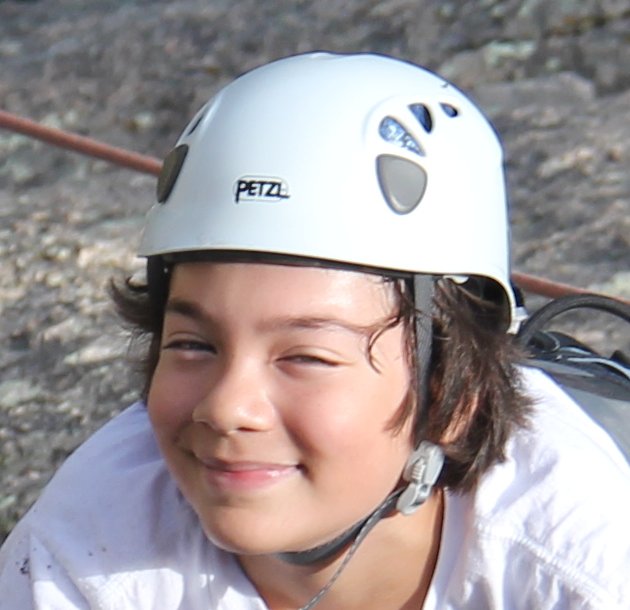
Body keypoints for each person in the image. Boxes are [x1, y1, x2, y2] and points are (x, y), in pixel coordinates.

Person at [0, 52, 628, 610]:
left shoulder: (581, 563)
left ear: (453, 395)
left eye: (305, 356)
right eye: (193, 345)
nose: (227, 408)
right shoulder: (86, 551)